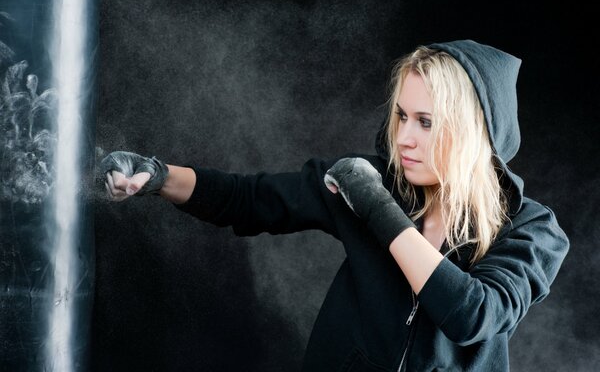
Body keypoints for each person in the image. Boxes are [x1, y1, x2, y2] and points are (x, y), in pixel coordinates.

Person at [101, 39, 570, 371]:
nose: (403, 138)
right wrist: (158, 175)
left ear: (471, 132)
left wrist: (375, 207)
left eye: (426, 122)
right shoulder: (376, 181)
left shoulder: (531, 229)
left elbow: (473, 315)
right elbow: (249, 198)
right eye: (402, 116)